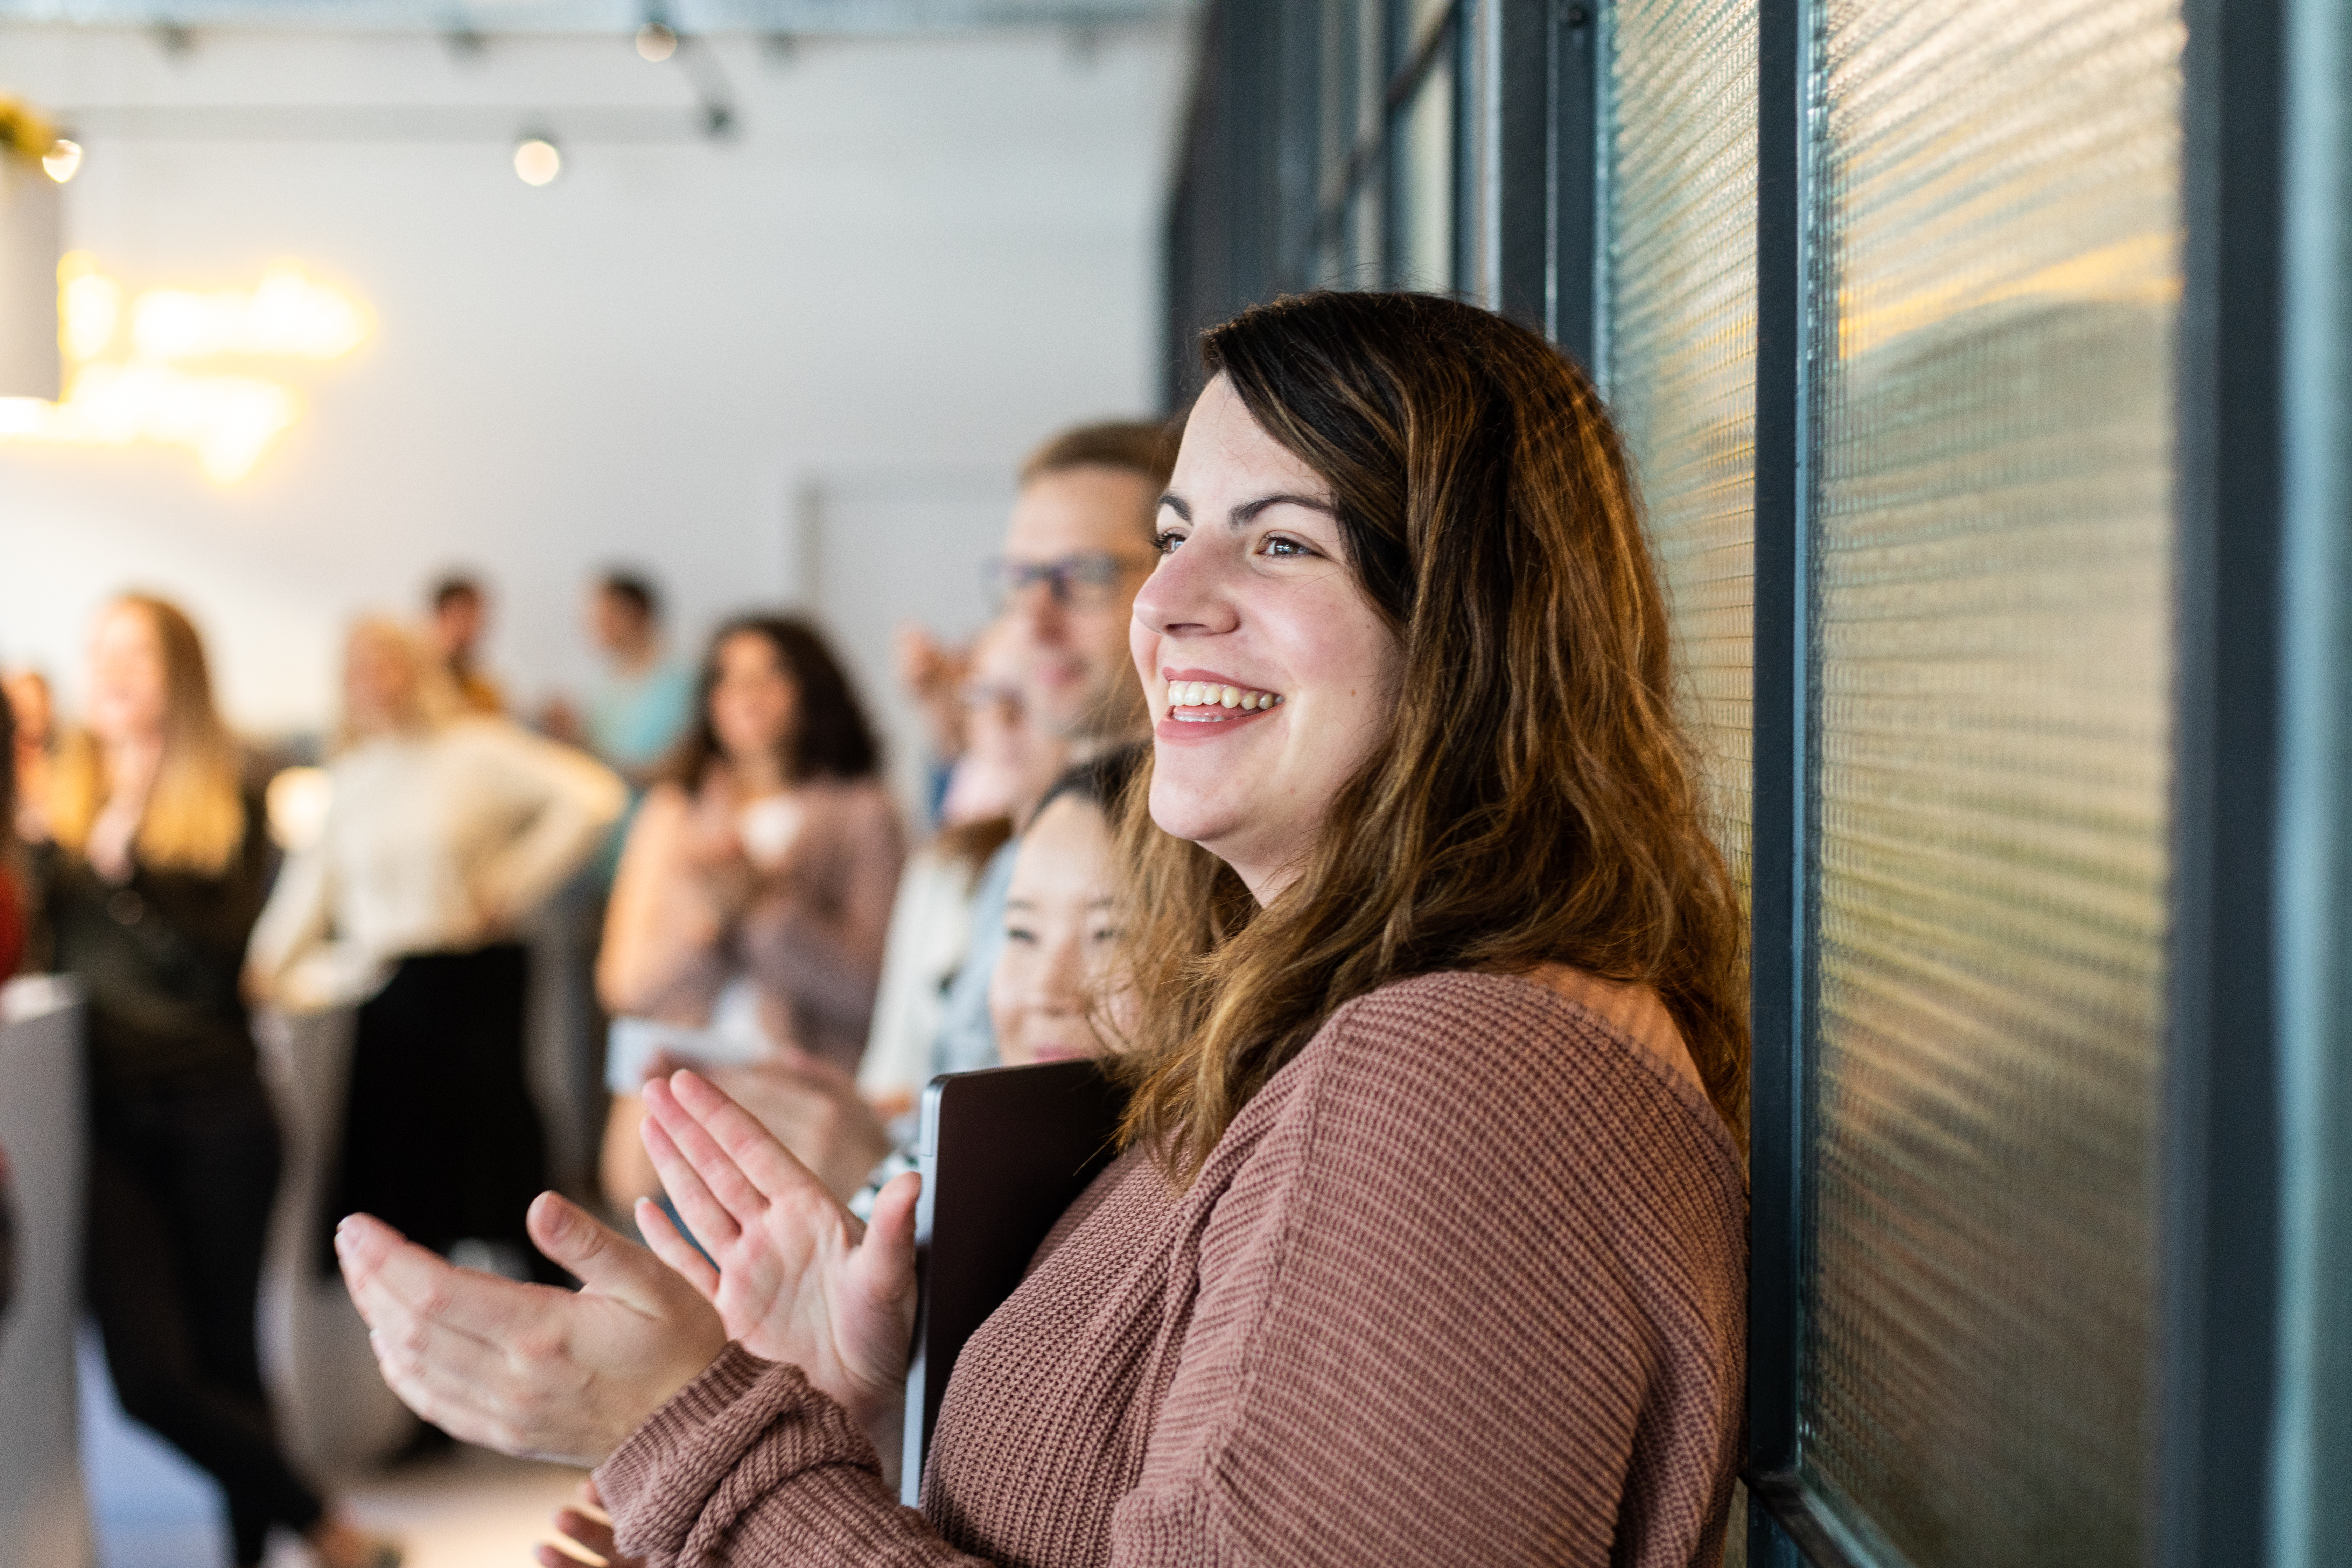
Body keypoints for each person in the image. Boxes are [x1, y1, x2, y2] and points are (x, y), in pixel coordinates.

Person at [337, 291, 1752, 1566]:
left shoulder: (1461, 1074)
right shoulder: (1319, 1043)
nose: (1168, 605)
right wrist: (850, 1406)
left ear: (1473, 625)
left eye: (1280, 543)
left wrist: (700, 1439)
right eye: (1175, 536)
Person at [40, 596, 394, 1568]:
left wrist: (132, 880)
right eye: (100, 650)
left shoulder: (232, 795)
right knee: (150, 1379)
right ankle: (326, 1527)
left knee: (233, 1361)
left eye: (137, 655)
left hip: (219, 1114)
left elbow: (226, 965)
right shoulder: (57, 810)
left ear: (181, 673)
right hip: (108, 1126)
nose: (112, 672)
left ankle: (257, 1552)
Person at [246, 619, 624, 1283]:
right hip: (390, 996)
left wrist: (513, 884)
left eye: (387, 664)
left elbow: (591, 799)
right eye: (358, 669)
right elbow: (312, 887)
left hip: (470, 981)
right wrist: (265, 964)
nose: (374, 682)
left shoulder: (474, 750)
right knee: (408, 1185)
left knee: (494, 1162)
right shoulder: (349, 778)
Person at [596, 615, 905, 1213]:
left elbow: (875, 990)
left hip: (799, 1123)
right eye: (728, 680)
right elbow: (624, 984)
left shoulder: (864, 813)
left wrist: (765, 909)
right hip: (676, 1116)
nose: (747, 697)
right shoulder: (673, 813)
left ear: (813, 690)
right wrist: (713, 928)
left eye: (770, 677)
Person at [931, 419, 1175, 1076]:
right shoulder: (1020, 854)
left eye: (1083, 575)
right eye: (1020, 579)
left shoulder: (1222, 862)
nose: (1035, 621)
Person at [855, 617, 1066, 1117]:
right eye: (984, 694)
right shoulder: (943, 865)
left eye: (1031, 694)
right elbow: (896, 1051)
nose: (1003, 718)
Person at [427, 574, 504, 714]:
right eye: (461, 616)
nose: (473, 626)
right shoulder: (417, 672)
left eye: (475, 617)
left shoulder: (481, 684)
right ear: (440, 616)